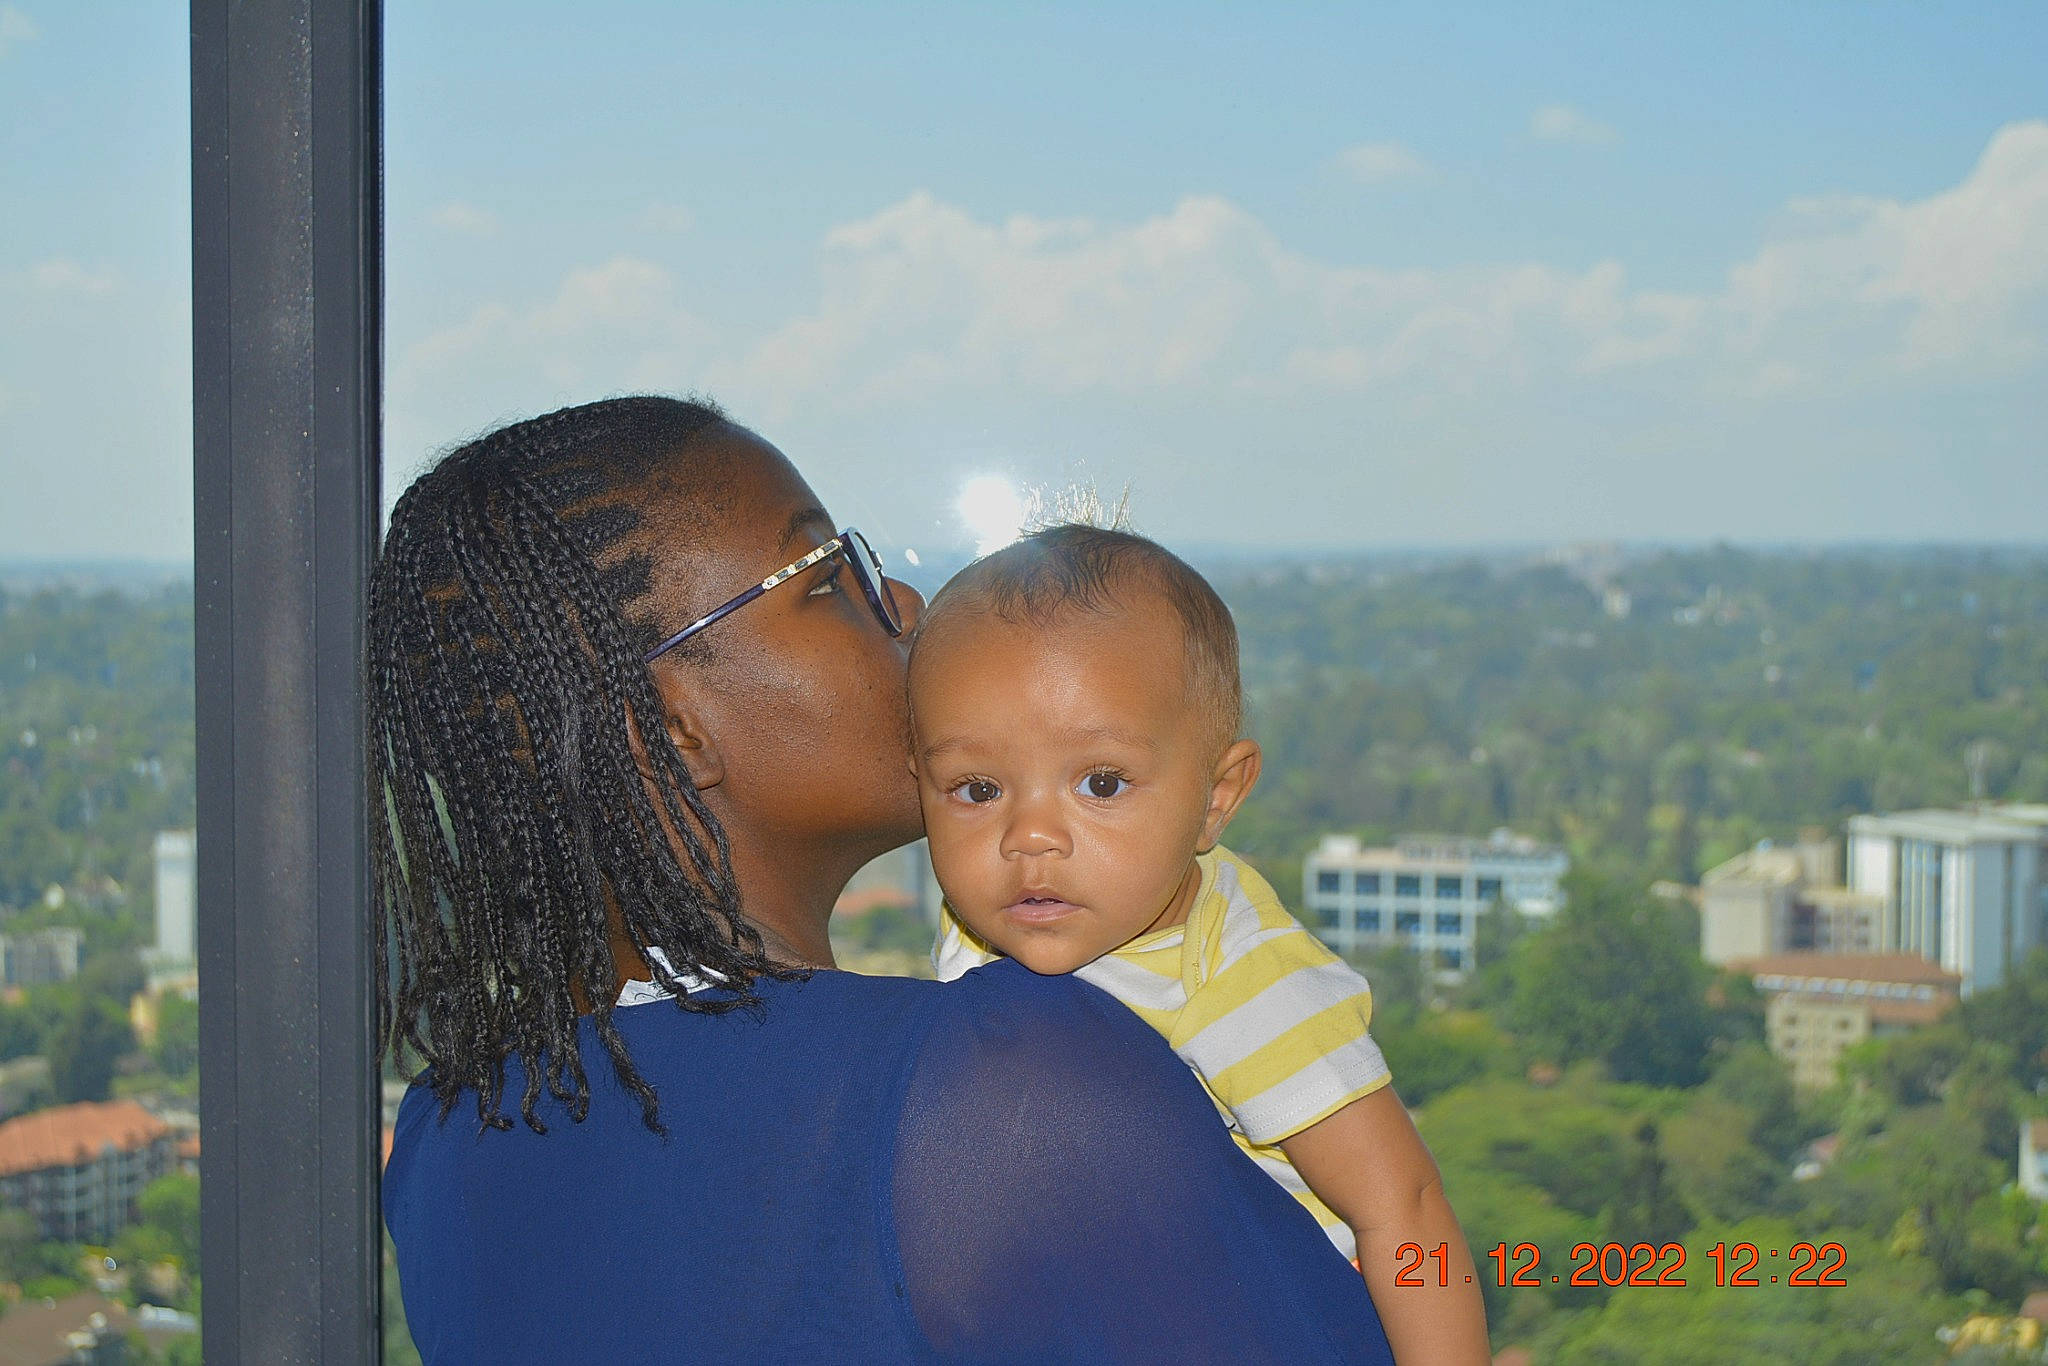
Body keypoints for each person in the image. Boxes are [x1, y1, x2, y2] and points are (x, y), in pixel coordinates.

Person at [373, 395, 1397, 1363]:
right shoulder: (998, 1087)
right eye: (823, 576)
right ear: (674, 731)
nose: (899, 600)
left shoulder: (442, 1141)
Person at [915, 524, 1490, 1364]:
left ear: (1217, 797)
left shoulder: (1242, 980)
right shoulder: (1007, 913)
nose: (1028, 835)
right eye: (977, 788)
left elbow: (1403, 1205)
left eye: (1101, 783)